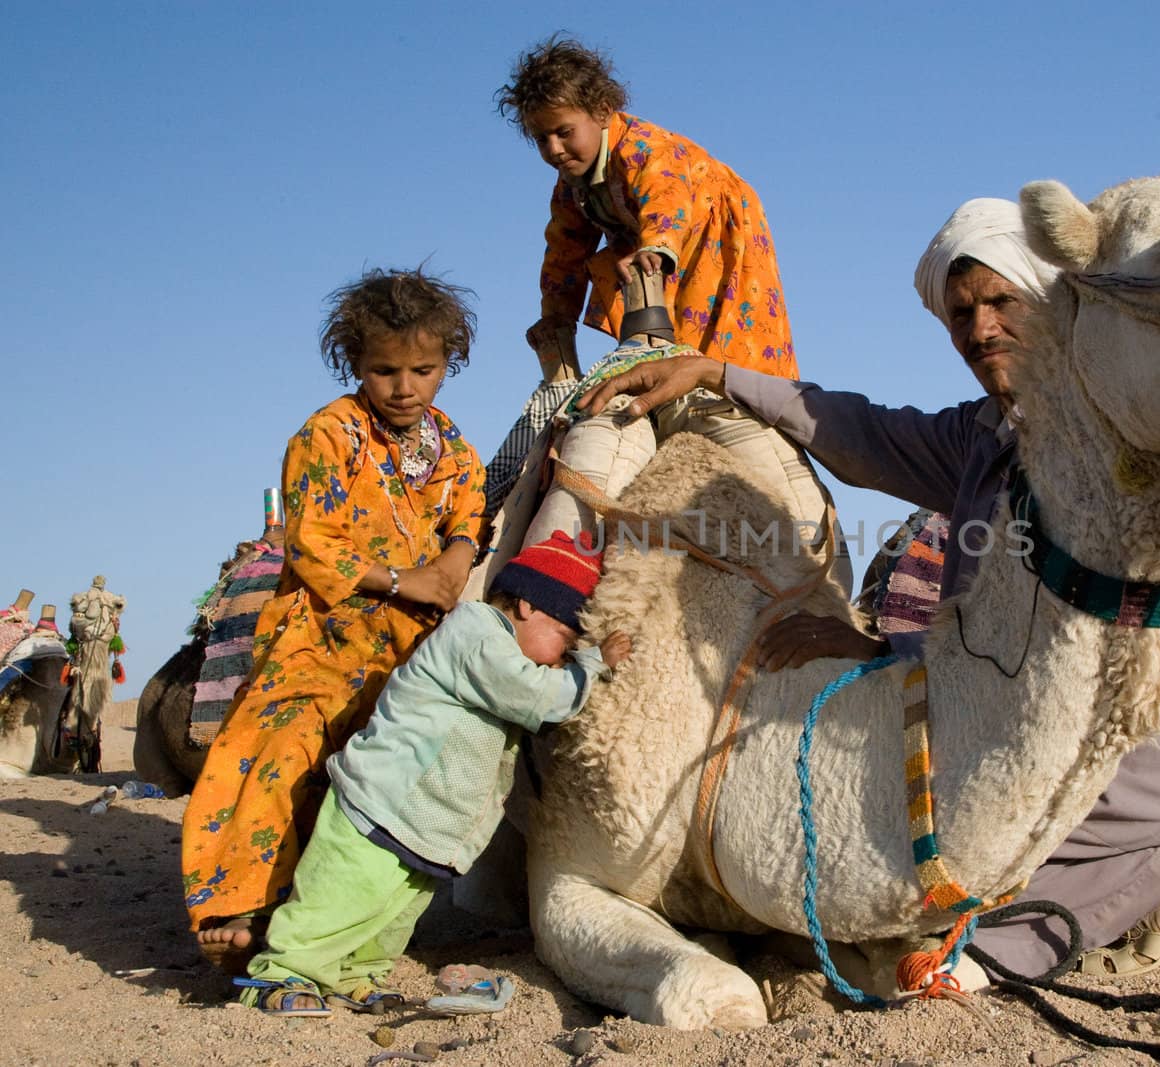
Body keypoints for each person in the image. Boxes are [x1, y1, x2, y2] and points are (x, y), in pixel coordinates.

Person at [574, 198, 1160, 979]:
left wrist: (889, 643)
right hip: (1010, 714)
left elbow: (1067, 635)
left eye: (1001, 303)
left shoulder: (1102, 439)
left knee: (977, 931)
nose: (981, 330)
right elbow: (862, 432)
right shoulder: (981, 435)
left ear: (1048, 304)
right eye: (961, 314)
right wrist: (718, 372)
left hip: (1128, 753)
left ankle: (1070, 918)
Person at [183, 268, 490, 973]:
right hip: (323, 631)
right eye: (385, 370)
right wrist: (399, 578)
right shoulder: (324, 436)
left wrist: (458, 558)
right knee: (279, 742)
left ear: (448, 365)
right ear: (356, 363)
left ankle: (355, 913)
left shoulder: (454, 449)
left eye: (424, 369)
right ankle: (242, 906)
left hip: (412, 645)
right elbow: (313, 541)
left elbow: (467, 517)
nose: (404, 386)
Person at [235, 533, 632, 1016]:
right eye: (564, 642)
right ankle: (283, 973)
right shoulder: (477, 633)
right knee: (341, 895)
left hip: (424, 823)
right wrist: (592, 665)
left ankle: (356, 974)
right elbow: (538, 696)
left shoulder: (503, 650)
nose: (558, 658)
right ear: (527, 606)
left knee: (390, 914)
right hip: (383, 802)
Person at [485, 36, 834, 570]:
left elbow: (667, 200)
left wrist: (657, 248)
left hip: (709, 234)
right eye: (542, 138)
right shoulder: (572, 186)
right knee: (641, 297)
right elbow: (564, 249)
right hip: (658, 252)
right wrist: (555, 317)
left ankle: (723, 386)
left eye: (564, 132)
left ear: (602, 112)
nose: (555, 148)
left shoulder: (644, 148)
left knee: (723, 339)